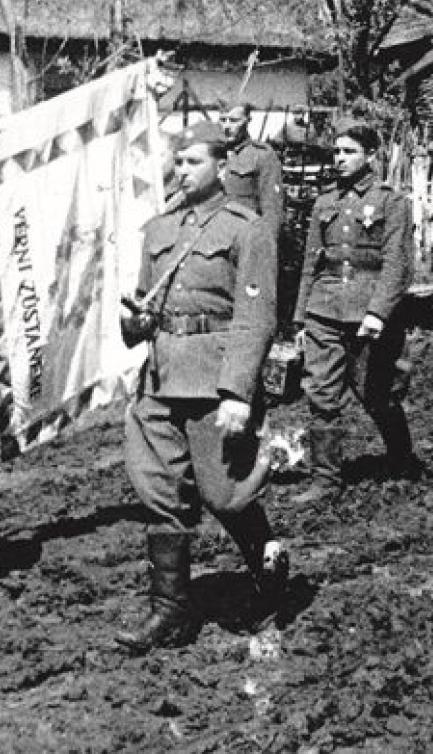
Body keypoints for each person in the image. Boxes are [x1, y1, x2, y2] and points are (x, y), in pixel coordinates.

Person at [115, 119, 286, 654]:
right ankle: (170, 610)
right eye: (178, 161)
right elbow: (143, 307)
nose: (182, 170)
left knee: (225, 496)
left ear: (221, 165)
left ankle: (269, 563)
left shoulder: (246, 228)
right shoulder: (159, 229)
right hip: (161, 377)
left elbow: (256, 317)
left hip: (213, 380)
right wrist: (135, 322)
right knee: (158, 491)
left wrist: (237, 391)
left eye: (193, 161)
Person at [293, 120, 417, 500]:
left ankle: (402, 459)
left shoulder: (391, 202)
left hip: (369, 311)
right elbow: (311, 262)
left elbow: (397, 262)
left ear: (371, 156)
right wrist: (300, 317)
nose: (340, 158)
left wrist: (378, 312)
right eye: (337, 151)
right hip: (324, 309)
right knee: (321, 394)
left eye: (349, 152)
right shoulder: (324, 202)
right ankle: (325, 480)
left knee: (377, 395)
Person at [219, 103, 285, 238]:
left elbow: (272, 211)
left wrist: (266, 244)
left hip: (244, 236)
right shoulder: (210, 154)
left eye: (234, 121)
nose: (226, 126)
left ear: (248, 120)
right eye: (223, 120)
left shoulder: (261, 155)